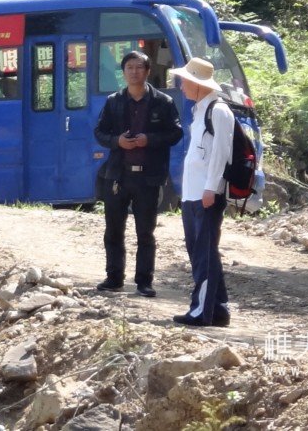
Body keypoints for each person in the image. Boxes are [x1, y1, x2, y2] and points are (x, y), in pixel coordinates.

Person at [94, 51, 183, 298]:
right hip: (118, 175)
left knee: (145, 232)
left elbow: (175, 133)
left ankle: (144, 281)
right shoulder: (114, 101)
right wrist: (117, 141)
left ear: (147, 71)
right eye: (129, 67)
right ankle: (114, 278)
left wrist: (149, 139)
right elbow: (99, 132)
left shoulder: (163, 102)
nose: (134, 72)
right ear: (123, 72)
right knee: (113, 230)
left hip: (148, 177)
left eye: (139, 67)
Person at [170, 57, 234, 327]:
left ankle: (200, 311)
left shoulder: (219, 111)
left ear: (197, 83)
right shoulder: (200, 110)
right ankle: (218, 308)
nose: (181, 86)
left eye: (185, 80)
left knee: (203, 254)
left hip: (206, 194)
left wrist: (211, 188)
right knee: (200, 251)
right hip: (193, 193)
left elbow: (221, 153)